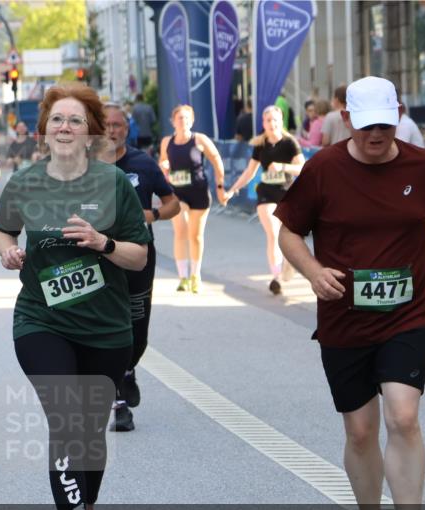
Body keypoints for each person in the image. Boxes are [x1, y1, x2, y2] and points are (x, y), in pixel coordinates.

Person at [277, 76, 425, 510]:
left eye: (385, 123)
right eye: (365, 126)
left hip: (405, 314)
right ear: (347, 118)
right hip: (343, 319)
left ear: (398, 113)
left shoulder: (424, 166)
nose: (376, 135)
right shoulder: (323, 169)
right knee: (360, 431)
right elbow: (289, 231)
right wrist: (313, 272)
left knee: (403, 418)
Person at [0, 83, 149, 510]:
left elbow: (139, 257)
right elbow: (0, 228)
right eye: (56, 120)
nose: (64, 128)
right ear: (44, 131)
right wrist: (7, 252)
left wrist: (103, 243)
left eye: (75, 121)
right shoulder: (26, 182)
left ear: (90, 133)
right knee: (65, 418)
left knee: (88, 434)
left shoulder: (112, 184)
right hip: (42, 320)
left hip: (105, 328)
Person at [102, 102, 180, 431]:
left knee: (138, 329)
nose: (111, 130)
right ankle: (119, 402)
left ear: (127, 128)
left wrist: (153, 215)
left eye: (118, 125)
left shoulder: (142, 163)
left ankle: (129, 369)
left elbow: (173, 202)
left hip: (138, 256)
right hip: (101, 258)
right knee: (108, 327)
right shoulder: (85, 166)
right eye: (106, 124)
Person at [224, 105, 304, 295]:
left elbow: (302, 168)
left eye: (275, 120)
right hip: (266, 192)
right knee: (273, 233)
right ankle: (276, 278)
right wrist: (232, 190)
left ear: (281, 121)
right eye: (268, 120)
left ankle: (287, 263)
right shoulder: (260, 144)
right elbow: (249, 172)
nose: (271, 123)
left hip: (287, 193)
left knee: (288, 235)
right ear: (263, 123)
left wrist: (283, 167)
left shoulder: (290, 143)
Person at [159, 105, 226, 292]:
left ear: (192, 120)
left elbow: (216, 159)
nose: (183, 121)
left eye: (187, 118)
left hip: (198, 191)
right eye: (180, 118)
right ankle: (183, 277)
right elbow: (162, 163)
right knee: (180, 231)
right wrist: (164, 165)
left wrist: (220, 186)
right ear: (173, 121)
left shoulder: (200, 139)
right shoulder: (167, 142)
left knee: (195, 235)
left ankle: (196, 275)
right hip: (176, 193)